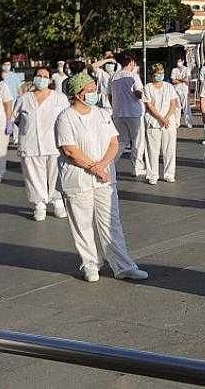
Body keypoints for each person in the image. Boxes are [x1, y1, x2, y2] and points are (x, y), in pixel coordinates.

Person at [55, 72, 147, 283]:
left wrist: (103, 166)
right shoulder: (65, 117)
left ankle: (123, 266)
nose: (93, 93)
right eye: (89, 90)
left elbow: (114, 142)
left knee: (111, 222)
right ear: (77, 94)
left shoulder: (102, 113)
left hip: (105, 177)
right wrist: (94, 168)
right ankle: (90, 264)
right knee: (82, 223)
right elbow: (69, 150)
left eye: (94, 89)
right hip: (78, 178)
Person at [13, 65, 70, 220]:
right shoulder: (23, 99)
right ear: (34, 77)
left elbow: (67, 119)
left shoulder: (59, 98)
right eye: (39, 75)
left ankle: (57, 201)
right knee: (33, 176)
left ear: (50, 79)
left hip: (54, 143)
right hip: (30, 143)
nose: (42, 79)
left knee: (55, 174)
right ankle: (39, 205)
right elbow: (16, 119)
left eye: (45, 76)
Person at [110, 53, 145, 178]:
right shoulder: (133, 76)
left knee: (121, 141)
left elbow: (110, 95)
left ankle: (111, 164)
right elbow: (138, 93)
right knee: (138, 141)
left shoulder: (114, 76)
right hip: (134, 113)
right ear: (131, 63)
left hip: (118, 113)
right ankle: (137, 167)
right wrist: (146, 95)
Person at [142, 64, 179, 185]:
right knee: (152, 149)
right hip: (154, 121)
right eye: (157, 73)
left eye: (162, 73)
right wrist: (160, 118)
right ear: (152, 74)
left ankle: (169, 174)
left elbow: (173, 103)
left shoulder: (169, 86)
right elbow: (149, 106)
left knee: (169, 149)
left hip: (168, 122)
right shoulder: (147, 87)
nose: (160, 75)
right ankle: (152, 175)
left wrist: (166, 117)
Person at [170, 57, 193, 128]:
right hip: (176, 89)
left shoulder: (187, 69)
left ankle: (189, 123)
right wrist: (182, 80)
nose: (178, 63)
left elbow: (187, 79)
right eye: (177, 61)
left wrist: (178, 80)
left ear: (183, 61)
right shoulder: (174, 70)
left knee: (186, 106)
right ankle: (177, 123)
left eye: (180, 61)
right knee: (177, 107)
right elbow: (173, 81)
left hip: (184, 89)